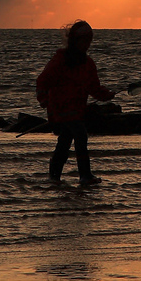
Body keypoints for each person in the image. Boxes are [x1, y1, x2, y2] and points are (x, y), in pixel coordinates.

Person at [36, 21, 116, 185]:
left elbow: (93, 87)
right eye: (84, 41)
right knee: (80, 135)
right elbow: (43, 80)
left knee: (65, 141)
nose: (87, 45)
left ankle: (54, 176)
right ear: (74, 40)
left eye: (89, 41)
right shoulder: (60, 60)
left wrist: (106, 95)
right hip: (61, 108)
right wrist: (43, 99)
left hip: (77, 109)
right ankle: (85, 175)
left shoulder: (88, 63)